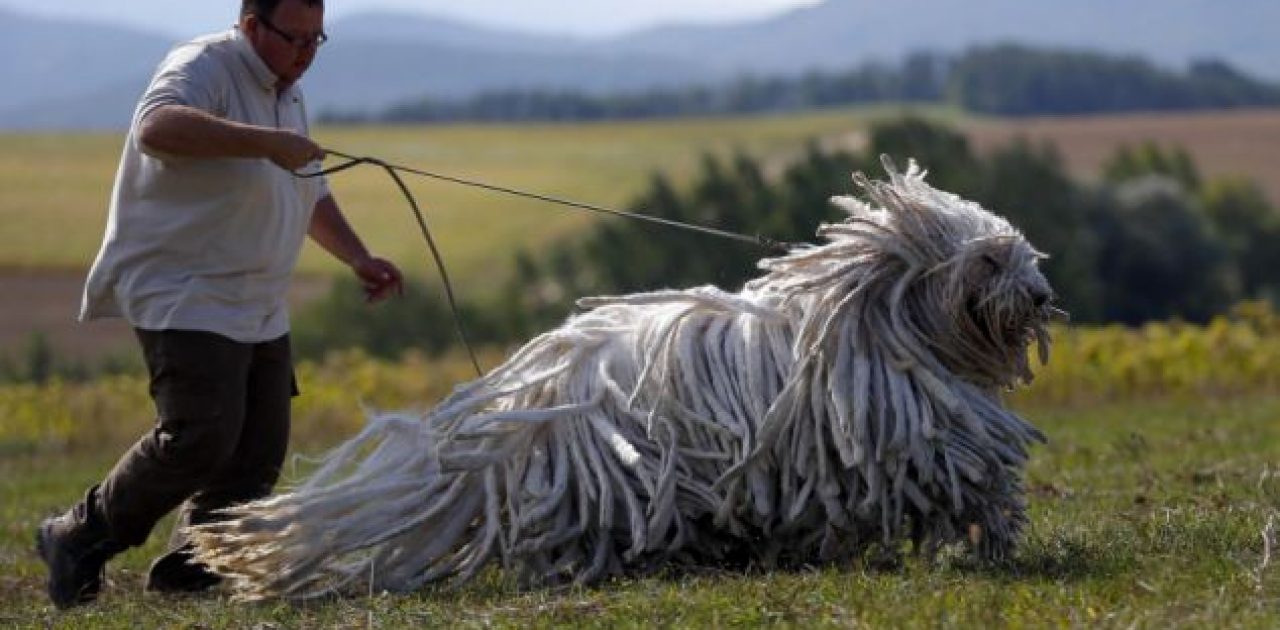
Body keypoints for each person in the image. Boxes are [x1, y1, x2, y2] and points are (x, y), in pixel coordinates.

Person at [35, 0, 404, 609]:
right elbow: (156, 127)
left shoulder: (287, 90)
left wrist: (359, 258)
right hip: (186, 288)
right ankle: (78, 535)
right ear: (251, 24)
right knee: (200, 435)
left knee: (259, 448)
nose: (306, 53)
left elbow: (308, 194)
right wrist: (265, 142)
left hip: (256, 295)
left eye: (317, 39)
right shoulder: (202, 65)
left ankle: (193, 566)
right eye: (294, 38)